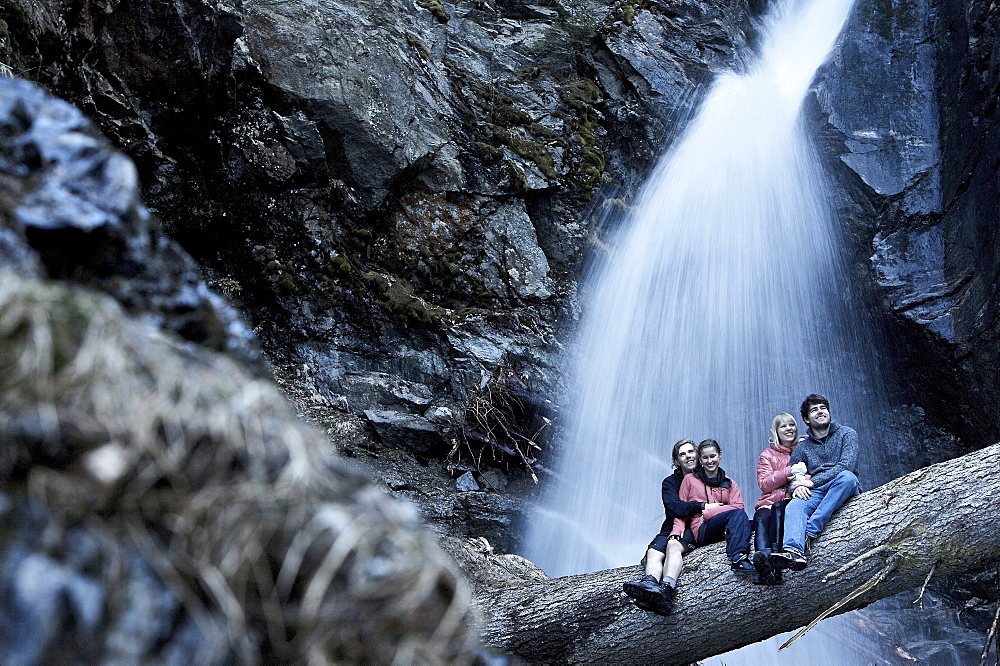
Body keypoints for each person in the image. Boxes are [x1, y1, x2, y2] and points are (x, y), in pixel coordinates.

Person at [770, 394, 861, 571]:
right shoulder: (802, 448)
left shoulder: (847, 434)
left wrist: (811, 483)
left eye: (822, 408)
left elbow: (846, 466)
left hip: (842, 486)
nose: (820, 412)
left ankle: (810, 530)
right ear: (806, 419)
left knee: (848, 477)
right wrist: (795, 487)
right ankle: (793, 552)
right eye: (814, 410)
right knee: (795, 505)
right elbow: (796, 476)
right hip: (817, 491)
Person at [623, 439, 706, 615]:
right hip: (670, 528)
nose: (688, 457)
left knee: (673, 547)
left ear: (697, 455)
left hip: (697, 527)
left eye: (691, 452)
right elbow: (674, 507)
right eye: (682, 454)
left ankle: (666, 593)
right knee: (654, 551)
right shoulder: (670, 483)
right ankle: (650, 584)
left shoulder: (709, 477)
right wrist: (700, 506)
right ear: (676, 461)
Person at [670, 440, 755, 573]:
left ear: (719, 455)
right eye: (705, 457)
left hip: (721, 525)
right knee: (738, 515)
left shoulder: (729, 483)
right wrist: (676, 531)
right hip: (702, 529)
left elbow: (739, 506)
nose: (710, 461)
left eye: (713, 456)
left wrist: (710, 512)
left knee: (757, 521)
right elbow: (682, 508)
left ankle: (766, 558)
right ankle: (738, 558)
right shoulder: (690, 480)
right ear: (700, 459)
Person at [750, 413, 801, 585]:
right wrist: (789, 472)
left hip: (793, 499)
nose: (788, 429)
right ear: (776, 432)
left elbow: (811, 473)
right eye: (783, 426)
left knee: (779, 509)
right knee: (762, 517)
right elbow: (764, 484)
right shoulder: (767, 455)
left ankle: (776, 562)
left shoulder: (803, 449)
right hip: (769, 501)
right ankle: (763, 562)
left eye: (791, 425)